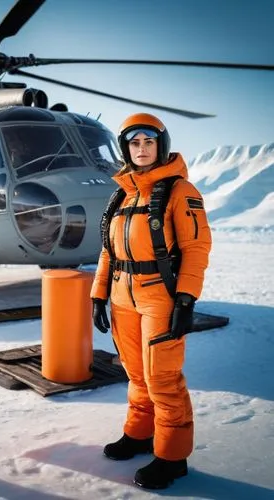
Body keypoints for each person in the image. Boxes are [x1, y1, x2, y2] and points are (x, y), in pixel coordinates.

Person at [90, 113, 212, 490]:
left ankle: (173, 457)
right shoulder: (123, 194)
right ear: (126, 148)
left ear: (161, 144)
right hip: (122, 296)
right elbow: (108, 251)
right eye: (133, 142)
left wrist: (187, 299)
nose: (141, 149)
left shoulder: (180, 191)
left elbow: (196, 247)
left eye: (148, 141)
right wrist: (98, 294)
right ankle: (140, 434)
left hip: (159, 296)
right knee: (137, 374)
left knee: (162, 378)